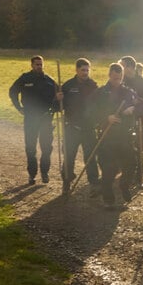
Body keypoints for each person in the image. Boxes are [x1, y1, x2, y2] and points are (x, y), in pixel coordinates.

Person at [90, 63, 142, 210]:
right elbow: (90, 112)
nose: (117, 81)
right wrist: (106, 118)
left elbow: (142, 106)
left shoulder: (129, 92)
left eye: (119, 79)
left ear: (123, 77)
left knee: (132, 164)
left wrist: (134, 109)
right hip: (107, 137)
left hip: (125, 136)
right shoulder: (100, 93)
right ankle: (108, 200)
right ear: (109, 75)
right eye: (114, 78)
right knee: (108, 170)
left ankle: (124, 185)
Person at [8, 55, 59, 185]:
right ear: (32, 65)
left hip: (46, 119)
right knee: (30, 148)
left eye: (41, 64)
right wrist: (18, 107)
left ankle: (44, 172)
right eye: (37, 64)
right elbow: (12, 91)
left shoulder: (50, 81)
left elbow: (58, 99)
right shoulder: (25, 78)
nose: (39, 67)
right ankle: (32, 174)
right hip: (30, 118)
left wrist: (56, 105)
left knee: (47, 148)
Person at [58, 58, 99, 195]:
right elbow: (57, 107)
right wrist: (58, 99)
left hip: (88, 129)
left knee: (91, 157)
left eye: (87, 70)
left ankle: (93, 184)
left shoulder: (93, 85)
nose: (85, 72)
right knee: (69, 157)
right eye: (83, 70)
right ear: (76, 70)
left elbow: (99, 105)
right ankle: (66, 182)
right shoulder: (68, 86)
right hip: (72, 128)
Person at [119, 56, 143, 188]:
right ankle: (125, 175)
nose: (121, 69)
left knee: (139, 149)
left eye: (122, 66)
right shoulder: (121, 80)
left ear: (129, 67)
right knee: (123, 148)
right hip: (123, 120)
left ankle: (139, 177)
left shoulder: (142, 82)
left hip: (139, 121)